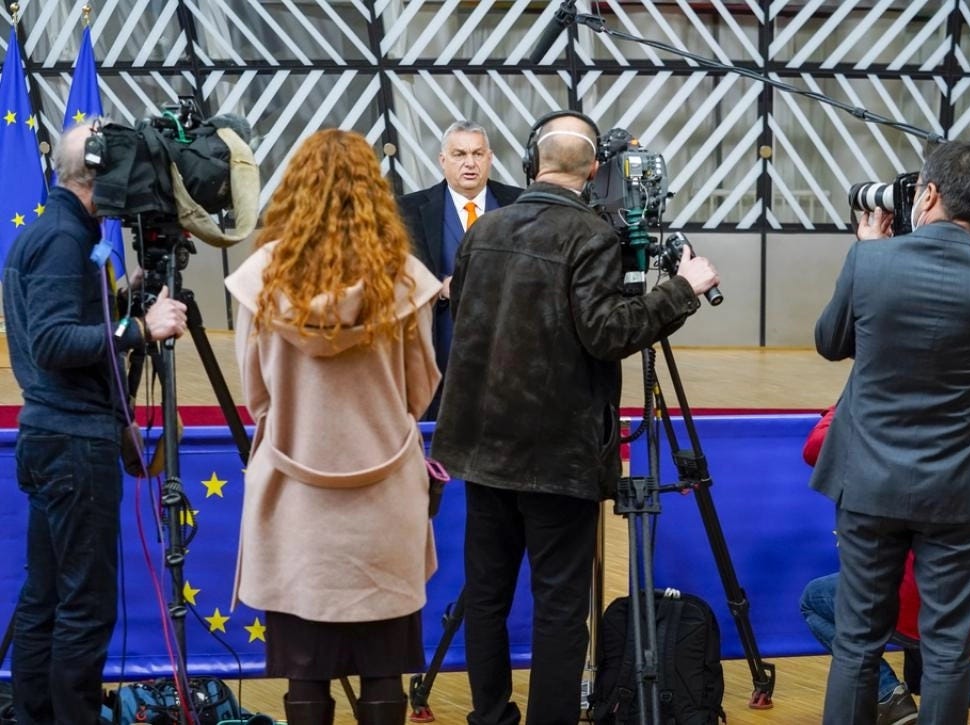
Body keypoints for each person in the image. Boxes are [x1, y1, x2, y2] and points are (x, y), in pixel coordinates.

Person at [430, 110, 720, 725]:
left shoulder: (485, 230)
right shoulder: (592, 237)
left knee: (486, 598)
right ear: (592, 172)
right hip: (556, 457)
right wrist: (682, 290)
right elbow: (608, 332)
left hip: (483, 448)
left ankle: (489, 717)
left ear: (531, 163)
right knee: (560, 608)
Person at [224, 129, 442, 725]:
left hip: (294, 499)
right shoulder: (404, 280)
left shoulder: (261, 280)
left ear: (295, 189)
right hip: (384, 500)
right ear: (375, 194)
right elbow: (421, 389)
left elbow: (255, 394)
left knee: (305, 668)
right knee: (384, 667)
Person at [810, 140, 970, 724]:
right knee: (948, 650)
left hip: (869, 481)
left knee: (857, 643)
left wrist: (866, 249)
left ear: (927, 194)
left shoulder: (869, 262)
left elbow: (830, 342)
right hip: (961, 488)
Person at [3, 122, 188, 724]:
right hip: (72, 445)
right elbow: (55, 341)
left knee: (46, 599)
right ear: (99, 173)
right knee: (84, 607)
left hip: (55, 437)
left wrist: (123, 299)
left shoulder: (60, 232)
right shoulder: (63, 238)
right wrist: (139, 328)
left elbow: (69, 323)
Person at [799, 406, 970, 724]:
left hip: (914, 587)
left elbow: (818, 447)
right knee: (934, 650)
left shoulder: (893, 414)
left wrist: (845, 405)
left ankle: (888, 696)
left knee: (815, 600)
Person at [397, 120, 523, 419]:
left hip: (511, 354)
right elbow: (396, 276)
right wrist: (438, 288)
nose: (470, 163)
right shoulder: (407, 210)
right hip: (441, 353)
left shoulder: (520, 204)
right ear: (443, 160)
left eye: (477, 154)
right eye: (459, 154)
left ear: (490, 158)